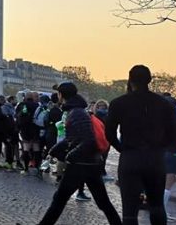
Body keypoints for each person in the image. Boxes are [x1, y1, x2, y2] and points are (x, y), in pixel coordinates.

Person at [38, 82, 121, 225]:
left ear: (61, 95)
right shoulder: (77, 111)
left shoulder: (76, 113)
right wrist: (55, 149)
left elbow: (87, 140)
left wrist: (70, 156)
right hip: (90, 163)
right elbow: (73, 138)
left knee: (59, 199)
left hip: (80, 164)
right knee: (103, 203)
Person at [105, 65, 176, 225]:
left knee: (130, 211)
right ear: (150, 80)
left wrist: (122, 149)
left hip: (130, 157)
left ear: (130, 80)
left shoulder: (119, 103)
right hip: (154, 158)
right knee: (157, 206)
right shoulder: (163, 104)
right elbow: (173, 132)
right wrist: (160, 148)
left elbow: (109, 133)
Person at [17, 92, 42, 174]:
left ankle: (26, 168)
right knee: (36, 149)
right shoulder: (37, 106)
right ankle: (36, 167)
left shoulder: (23, 105)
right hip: (35, 129)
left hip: (25, 130)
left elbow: (18, 117)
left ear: (25, 97)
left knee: (26, 149)